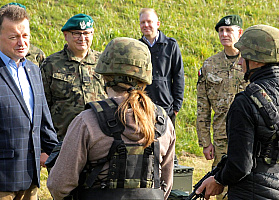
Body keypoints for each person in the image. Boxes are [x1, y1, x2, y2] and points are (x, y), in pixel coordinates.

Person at [196, 24, 279, 200]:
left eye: (243, 56)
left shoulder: (244, 101)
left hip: (252, 193)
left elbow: (240, 166)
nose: (239, 62)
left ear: (256, 60)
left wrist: (218, 180)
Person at [47, 37, 176, 200]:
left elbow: (59, 184)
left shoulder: (87, 121)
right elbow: (166, 184)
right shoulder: (163, 122)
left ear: (105, 75)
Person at [0, 4, 58, 199]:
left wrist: (56, 157)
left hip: (30, 178)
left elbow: (43, 122)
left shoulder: (34, 70)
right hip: (2, 180)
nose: (21, 42)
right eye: (14, 37)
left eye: (25, 36)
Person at [196, 15, 246, 199]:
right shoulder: (210, 65)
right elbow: (202, 106)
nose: (224, 34)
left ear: (239, 33)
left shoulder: (251, 62)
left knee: (246, 183)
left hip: (247, 135)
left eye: (229, 30)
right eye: (221, 31)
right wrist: (205, 141)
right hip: (221, 138)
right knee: (219, 185)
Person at [41, 13, 107, 141]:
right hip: (63, 139)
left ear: (92, 34)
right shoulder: (51, 64)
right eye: (76, 33)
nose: (82, 38)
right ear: (66, 36)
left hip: (99, 139)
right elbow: (42, 108)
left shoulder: (104, 62)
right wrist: (44, 146)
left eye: (86, 33)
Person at [138, 8, 184, 127]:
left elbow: (178, 76)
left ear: (157, 24)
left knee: (166, 143)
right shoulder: (136, 47)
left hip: (166, 107)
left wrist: (176, 106)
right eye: (143, 22)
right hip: (142, 106)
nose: (146, 25)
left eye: (149, 21)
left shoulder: (171, 45)